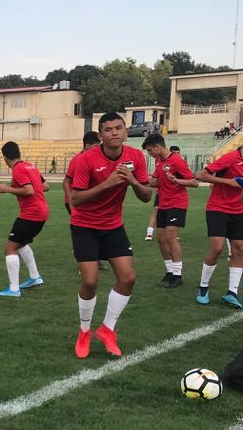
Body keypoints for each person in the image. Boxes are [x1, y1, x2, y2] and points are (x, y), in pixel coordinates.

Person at [69, 111, 151, 358]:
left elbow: (147, 196)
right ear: (101, 135)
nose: (115, 132)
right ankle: (84, 332)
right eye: (108, 129)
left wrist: (133, 181)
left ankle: (107, 329)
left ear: (126, 131)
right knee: (90, 281)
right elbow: (75, 199)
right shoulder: (86, 159)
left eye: (119, 128)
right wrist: (107, 183)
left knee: (128, 278)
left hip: (113, 225)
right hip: (84, 225)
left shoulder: (136, 157)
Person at [0, 142, 49, 298]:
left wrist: (6, 189)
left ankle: (13, 289)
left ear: (5, 157)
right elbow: (46, 186)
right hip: (41, 211)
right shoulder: (30, 166)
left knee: (10, 248)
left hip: (31, 214)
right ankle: (35, 277)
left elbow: (28, 191)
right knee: (22, 244)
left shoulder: (18, 169)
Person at [142, 135, 197, 289]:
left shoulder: (177, 161)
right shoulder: (159, 161)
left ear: (158, 147)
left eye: (150, 150)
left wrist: (177, 180)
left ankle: (178, 275)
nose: (149, 154)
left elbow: (194, 182)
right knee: (161, 237)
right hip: (163, 203)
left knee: (171, 237)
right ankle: (170, 271)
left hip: (177, 204)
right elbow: (154, 182)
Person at [194, 143, 243, 308]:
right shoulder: (230, 158)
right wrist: (228, 181)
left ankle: (232, 293)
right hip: (217, 208)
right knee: (217, 248)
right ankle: (203, 287)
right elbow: (200, 174)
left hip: (238, 210)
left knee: (239, 249)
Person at [144, 145, 183, 241]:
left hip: (174, 195)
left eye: (178, 153)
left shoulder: (179, 162)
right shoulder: (160, 160)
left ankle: (173, 234)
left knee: (172, 213)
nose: (176, 155)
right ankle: (149, 233)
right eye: (175, 153)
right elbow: (156, 177)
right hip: (162, 193)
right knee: (156, 210)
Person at [63, 131, 100, 215]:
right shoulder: (78, 159)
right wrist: (71, 203)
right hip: (76, 201)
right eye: (96, 146)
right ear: (87, 146)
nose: (98, 149)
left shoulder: (91, 158)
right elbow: (66, 182)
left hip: (85, 199)